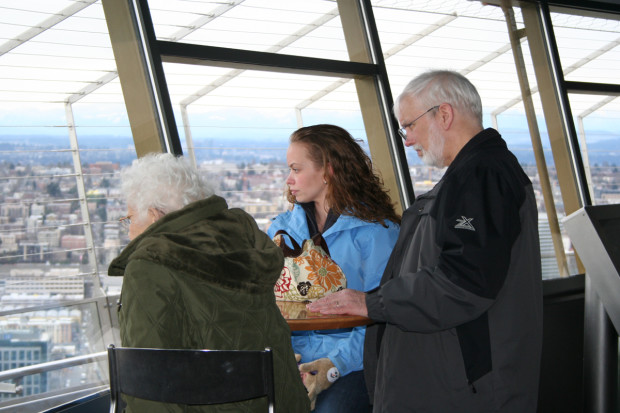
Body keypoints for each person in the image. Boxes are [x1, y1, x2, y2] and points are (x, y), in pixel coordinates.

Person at [308, 70, 543, 412]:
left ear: (444, 115)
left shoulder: (481, 177)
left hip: (466, 390)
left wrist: (372, 303)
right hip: (458, 383)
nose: (406, 140)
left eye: (409, 125)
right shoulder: (471, 176)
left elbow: (463, 283)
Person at [108, 153, 310, 413]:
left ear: (155, 215)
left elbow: (148, 383)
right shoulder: (242, 240)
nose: (129, 230)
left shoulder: (149, 266)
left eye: (129, 218)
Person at [267, 124, 400, 412]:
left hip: (355, 361)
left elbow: (385, 314)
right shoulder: (280, 230)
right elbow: (265, 304)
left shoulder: (378, 233)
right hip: (294, 359)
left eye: (296, 169)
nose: (288, 180)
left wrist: (333, 365)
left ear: (328, 171)